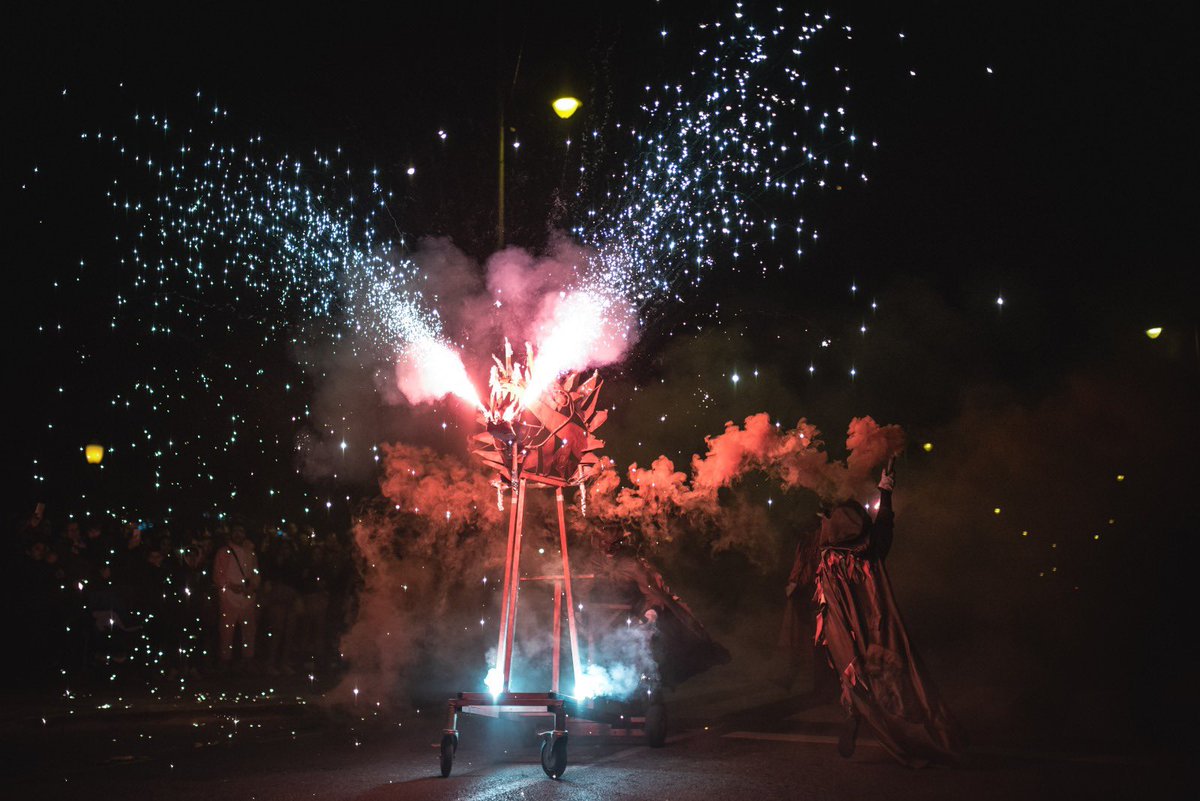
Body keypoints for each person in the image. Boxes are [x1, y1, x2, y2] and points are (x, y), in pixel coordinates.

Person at [814, 459, 964, 767]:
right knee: (897, 682)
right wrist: (885, 491)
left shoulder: (828, 557)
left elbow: (830, 606)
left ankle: (857, 714)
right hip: (880, 628)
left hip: (847, 631)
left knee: (857, 680)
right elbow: (884, 525)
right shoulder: (871, 549)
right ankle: (923, 739)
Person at [213, 524, 260, 670]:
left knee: (249, 630)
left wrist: (252, 586)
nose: (239, 534)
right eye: (236, 531)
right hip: (229, 596)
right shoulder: (223, 552)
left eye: (241, 531)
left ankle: (248, 659)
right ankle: (225, 660)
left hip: (246, 597)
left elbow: (256, 573)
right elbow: (217, 575)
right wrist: (230, 586)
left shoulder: (250, 553)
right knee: (227, 631)